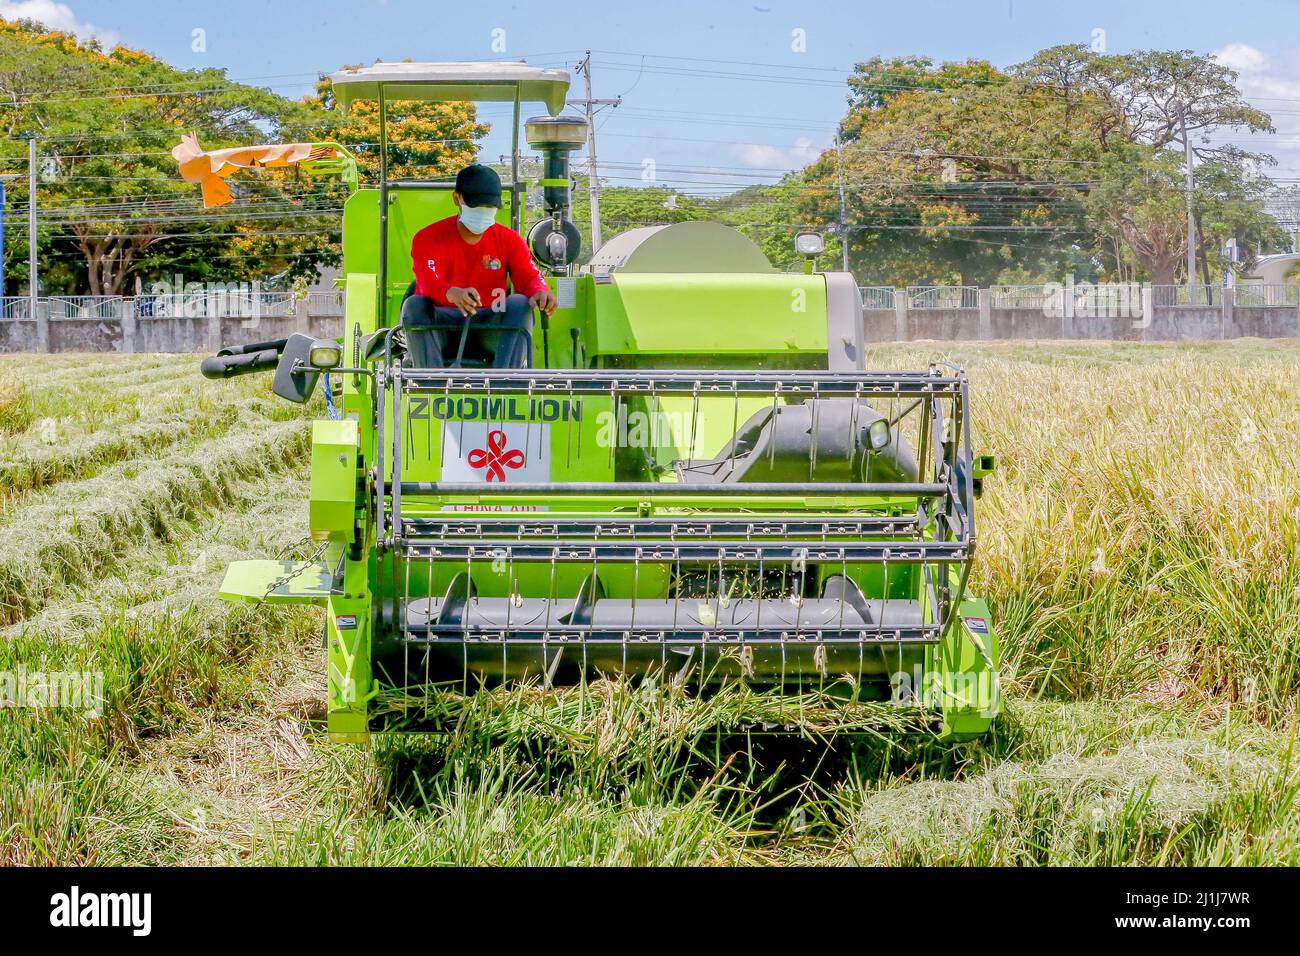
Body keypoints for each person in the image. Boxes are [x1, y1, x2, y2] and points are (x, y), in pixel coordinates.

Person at [404, 163, 558, 368]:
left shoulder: (509, 240)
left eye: (490, 207)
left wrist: (540, 291)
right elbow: (427, 282)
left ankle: (506, 386)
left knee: (520, 304)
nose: (484, 212)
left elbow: (529, 276)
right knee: (414, 305)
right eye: (477, 206)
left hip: (490, 325)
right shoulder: (427, 239)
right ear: (457, 199)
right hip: (441, 325)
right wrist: (451, 292)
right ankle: (430, 385)